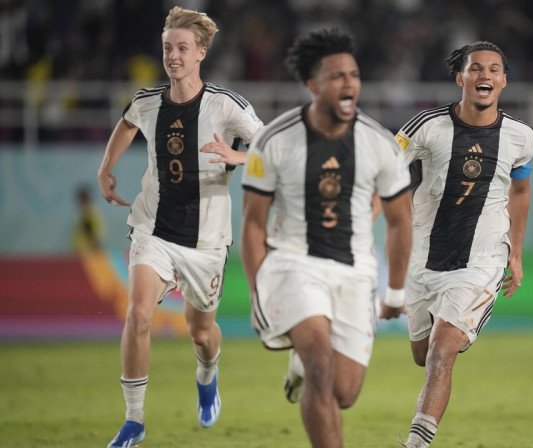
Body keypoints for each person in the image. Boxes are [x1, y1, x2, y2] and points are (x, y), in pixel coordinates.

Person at [97, 6, 264, 447]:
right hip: (152, 228)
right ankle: (134, 421)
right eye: (168, 47)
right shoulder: (147, 101)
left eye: (182, 48)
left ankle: (207, 377)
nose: (173, 55)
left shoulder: (226, 105)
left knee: (201, 332)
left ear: (200, 54)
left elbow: (272, 145)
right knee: (138, 313)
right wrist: (106, 168)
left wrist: (239, 157)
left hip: (206, 242)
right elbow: (127, 123)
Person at [240, 27, 412, 448]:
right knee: (321, 365)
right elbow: (253, 224)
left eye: (353, 74)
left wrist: (394, 292)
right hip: (293, 263)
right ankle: (308, 359)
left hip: (354, 269)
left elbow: (399, 221)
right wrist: (258, 289)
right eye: (337, 76)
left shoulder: (380, 144)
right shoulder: (274, 140)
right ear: (313, 85)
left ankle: (300, 363)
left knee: (344, 392)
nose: (349, 82)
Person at [393, 41, 533, 447]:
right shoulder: (425, 127)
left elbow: (521, 193)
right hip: (424, 258)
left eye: (494, 69)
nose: (485, 76)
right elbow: (386, 175)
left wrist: (517, 254)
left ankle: (416, 444)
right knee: (424, 356)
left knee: (441, 349)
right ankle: (452, 331)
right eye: (476, 68)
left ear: (504, 81)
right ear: (461, 77)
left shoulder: (521, 137)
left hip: (482, 259)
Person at [72, 184, 105, 252]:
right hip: (85, 253)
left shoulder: (88, 216)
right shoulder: (90, 214)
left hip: (86, 254)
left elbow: (95, 237)